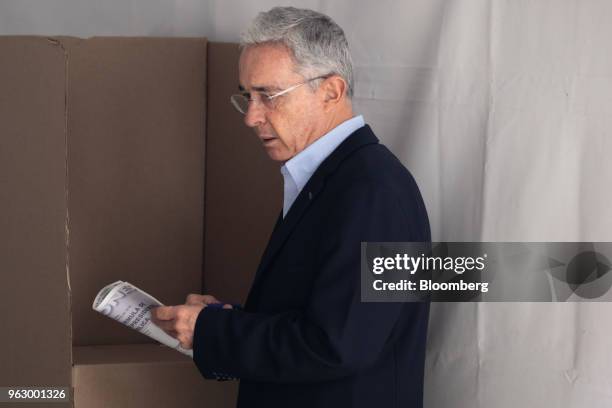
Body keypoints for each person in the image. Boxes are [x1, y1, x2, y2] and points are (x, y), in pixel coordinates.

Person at [152, 6, 430, 408]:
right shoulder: (336, 181)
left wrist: (213, 332)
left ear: (331, 91)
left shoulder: (371, 192)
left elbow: (337, 345)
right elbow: (321, 317)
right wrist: (227, 321)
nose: (251, 116)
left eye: (269, 95)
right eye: (247, 96)